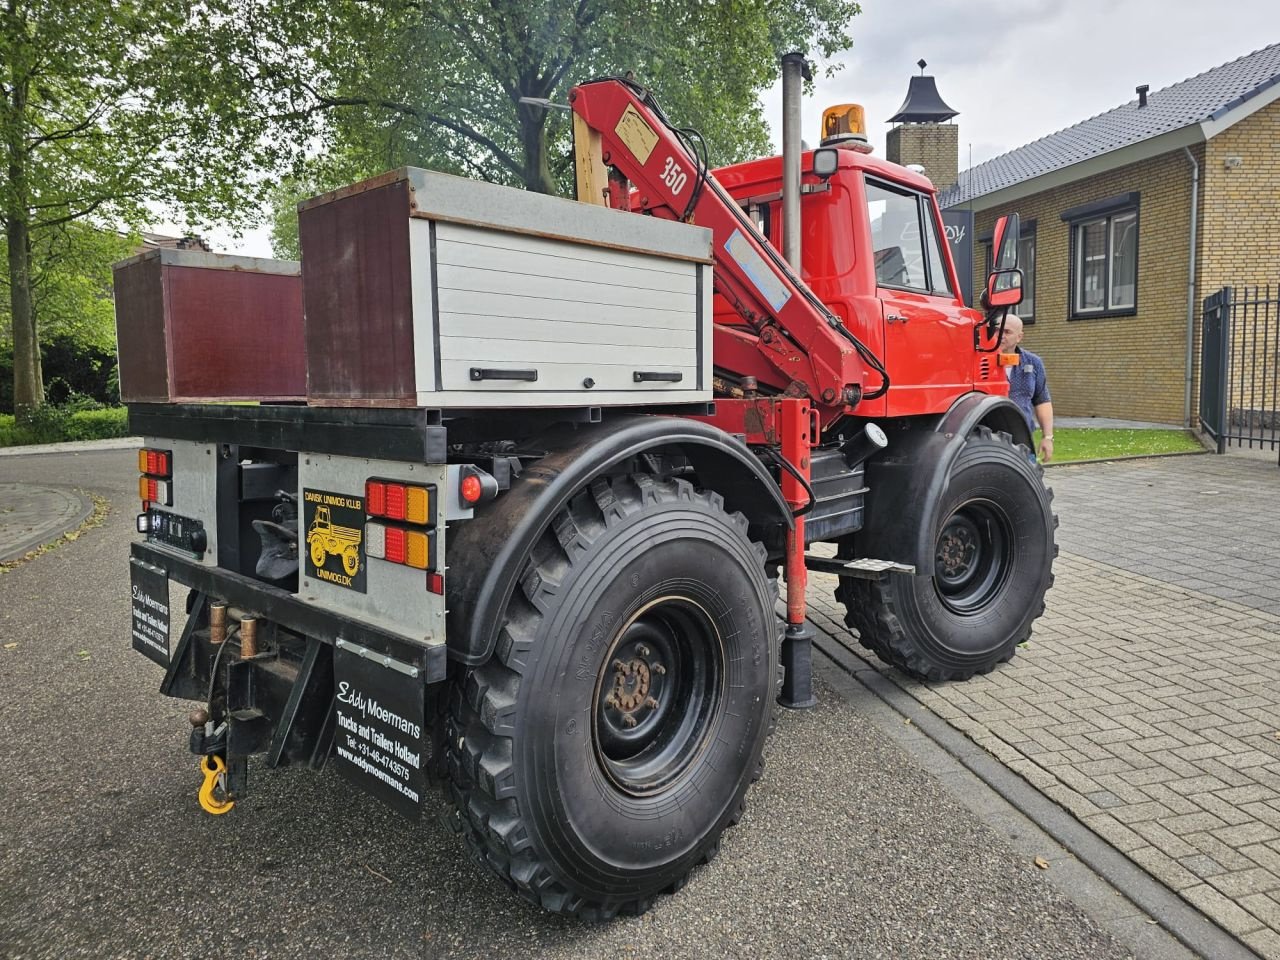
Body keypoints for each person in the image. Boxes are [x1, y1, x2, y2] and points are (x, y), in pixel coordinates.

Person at [998, 313, 1054, 462]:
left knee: (1029, 482)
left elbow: (1042, 400)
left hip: (1022, 439)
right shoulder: (978, 361)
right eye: (997, 330)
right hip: (988, 440)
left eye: (1007, 332)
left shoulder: (1033, 362)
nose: (1000, 335)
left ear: (1019, 337)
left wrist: (1047, 437)